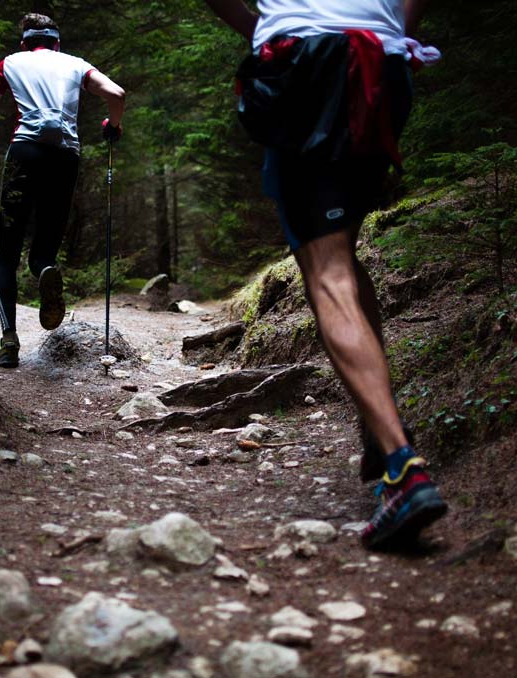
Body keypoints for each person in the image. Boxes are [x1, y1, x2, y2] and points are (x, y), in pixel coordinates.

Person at [203, 0, 446, 550]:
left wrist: (262, 28)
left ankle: (404, 471)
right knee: (345, 251)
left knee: (328, 271)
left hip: (302, 61)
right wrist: (398, 40)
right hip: (382, 65)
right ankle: (381, 435)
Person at [0, 13, 126, 368]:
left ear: (24, 43)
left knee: (6, 252)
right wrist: (113, 125)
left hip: (25, 152)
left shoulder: (11, 62)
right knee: (44, 249)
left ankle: (8, 341)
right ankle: (45, 270)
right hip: (65, 156)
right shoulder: (75, 64)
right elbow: (116, 93)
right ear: (57, 43)